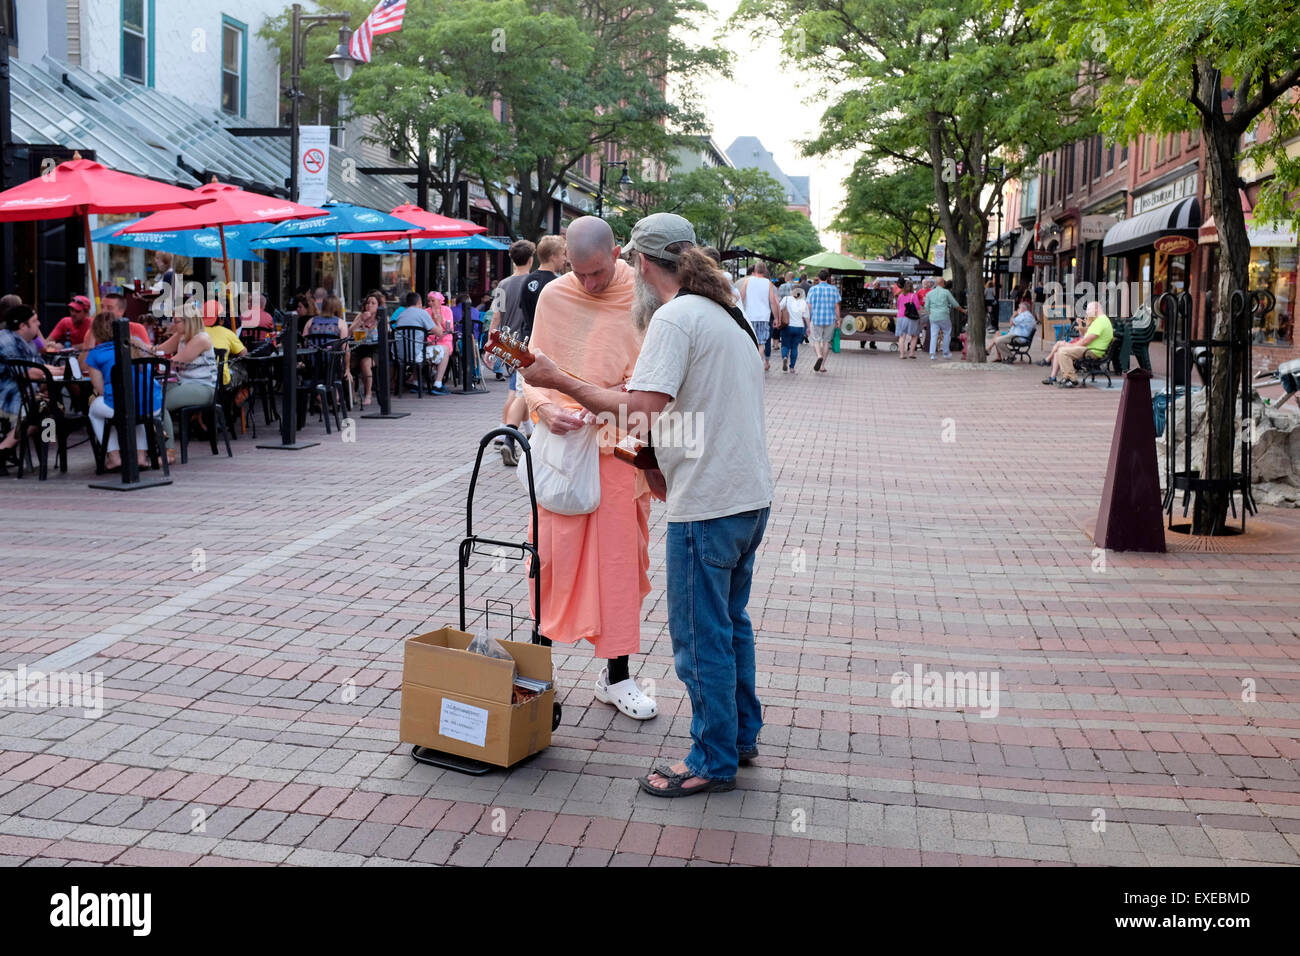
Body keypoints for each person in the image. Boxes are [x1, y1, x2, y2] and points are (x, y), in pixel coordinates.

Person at [520, 212, 773, 796]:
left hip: (707, 504)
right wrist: (655, 463)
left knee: (698, 637)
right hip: (747, 495)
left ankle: (711, 760)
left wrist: (560, 378)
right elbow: (698, 408)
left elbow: (637, 411)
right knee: (731, 625)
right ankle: (739, 736)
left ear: (637, 261)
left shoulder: (674, 318)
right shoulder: (726, 315)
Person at [518, 216, 658, 722]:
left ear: (618, 252)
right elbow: (530, 372)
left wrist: (613, 403)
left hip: (619, 449)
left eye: (597, 273)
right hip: (561, 452)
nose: (589, 283)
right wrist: (542, 407)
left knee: (619, 566)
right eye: (579, 273)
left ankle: (616, 676)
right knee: (550, 563)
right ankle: (539, 674)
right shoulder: (556, 295)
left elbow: (655, 385)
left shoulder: (644, 297)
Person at [84, 311, 166, 471]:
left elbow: (101, 391)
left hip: (122, 405)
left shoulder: (96, 354)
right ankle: (141, 457)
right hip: (153, 405)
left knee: (95, 411)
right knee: (137, 409)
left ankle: (114, 458)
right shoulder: (137, 344)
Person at [485, 239, 537, 462]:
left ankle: (524, 432)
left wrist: (489, 345)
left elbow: (495, 317)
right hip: (528, 342)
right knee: (518, 392)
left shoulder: (502, 285)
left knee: (517, 389)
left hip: (507, 344)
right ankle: (507, 433)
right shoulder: (533, 281)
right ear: (531, 258)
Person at [0, 306, 61, 462]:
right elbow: (28, 373)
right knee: (45, 411)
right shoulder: (5, 340)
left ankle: (44, 457)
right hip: (7, 397)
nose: (39, 324)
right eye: (34, 321)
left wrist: (57, 371)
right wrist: (59, 372)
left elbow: (40, 369)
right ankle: (4, 450)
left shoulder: (29, 343)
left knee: (50, 408)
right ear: (22, 326)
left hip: (23, 394)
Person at [155, 308, 217, 461]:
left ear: (188, 322)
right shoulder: (181, 336)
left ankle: (169, 451)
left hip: (204, 387)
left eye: (176, 321)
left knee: (160, 403)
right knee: (151, 397)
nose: (173, 324)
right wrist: (139, 346)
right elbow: (158, 351)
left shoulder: (201, 339)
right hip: (183, 383)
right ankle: (154, 445)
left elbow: (175, 362)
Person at [1043, 300, 1112, 388]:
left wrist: (1071, 346)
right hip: (1091, 349)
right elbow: (1086, 339)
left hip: (1093, 351)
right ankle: (1066, 378)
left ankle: (1071, 379)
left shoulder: (1101, 321)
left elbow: (1085, 341)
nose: (1086, 312)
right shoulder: (1100, 320)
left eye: (1088, 309)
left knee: (1063, 351)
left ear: (1095, 309)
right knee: (1061, 349)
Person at [738, 261, 780, 370]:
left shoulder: (748, 281)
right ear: (765, 271)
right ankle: (756, 367)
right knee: (761, 343)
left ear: (754, 270)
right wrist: (776, 318)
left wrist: (740, 311)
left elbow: (741, 297)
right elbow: (772, 302)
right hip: (763, 317)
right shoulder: (768, 283)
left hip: (749, 316)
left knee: (750, 342)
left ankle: (748, 366)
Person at [392, 291, 436, 391]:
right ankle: (438, 384)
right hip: (416, 355)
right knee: (445, 350)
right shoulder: (422, 313)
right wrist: (437, 320)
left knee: (418, 347)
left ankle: (415, 381)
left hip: (399, 356)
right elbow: (439, 333)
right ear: (419, 302)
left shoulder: (401, 314)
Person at [349, 291, 383, 408]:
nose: (369, 305)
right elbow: (349, 333)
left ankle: (368, 394)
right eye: (368, 303)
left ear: (378, 306)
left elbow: (386, 334)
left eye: (373, 303)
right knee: (347, 364)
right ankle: (352, 393)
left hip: (376, 350)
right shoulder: (361, 315)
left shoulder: (382, 317)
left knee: (364, 363)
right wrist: (360, 321)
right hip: (360, 348)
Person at [806, 268, 841, 373]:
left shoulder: (813, 289)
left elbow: (809, 306)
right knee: (826, 342)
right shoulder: (834, 289)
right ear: (828, 278)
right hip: (830, 319)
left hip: (816, 319)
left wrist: (808, 319)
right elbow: (836, 307)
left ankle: (819, 355)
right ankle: (822, 366)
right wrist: (838, 319)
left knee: (816, 340)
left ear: (818, 277)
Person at [201, 307, 246, 386]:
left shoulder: (194, 332)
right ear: (220, 318)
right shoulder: (227, 333)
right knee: (242, 370)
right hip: (221, 381)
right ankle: (236, 397)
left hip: (198, 379)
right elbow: (244, 354)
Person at [925, 278, 965, 360]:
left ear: (936, 284)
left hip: (933, 317)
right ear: (942, 283)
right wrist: (963, 310)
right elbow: (955, 304)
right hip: (944, 316)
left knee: (934, 335)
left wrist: (930, 314)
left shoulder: (929, 294)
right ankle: (945, 353)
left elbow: (926, 307)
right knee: (946, 333)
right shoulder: (946, 292)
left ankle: (932, 354)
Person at [779, 284, 809, 372]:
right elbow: (806, 316)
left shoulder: (786, 299)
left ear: (792, 291)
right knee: (794, 347)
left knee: (785, 345)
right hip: (799, 327)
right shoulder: (803, 302)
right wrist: (808, 328)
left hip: (787, 326)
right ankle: (792, 368)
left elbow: (779, 308)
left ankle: (785, 357)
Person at [895, 279, 923, 359]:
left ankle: (902, 354)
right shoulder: (913, 296)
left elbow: (898, 306)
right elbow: (917, 307)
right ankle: (911, 353)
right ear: (911, 287)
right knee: (914, 336)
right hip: (910, 317)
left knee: (902, 336)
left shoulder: (900, 295)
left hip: (900, 317)